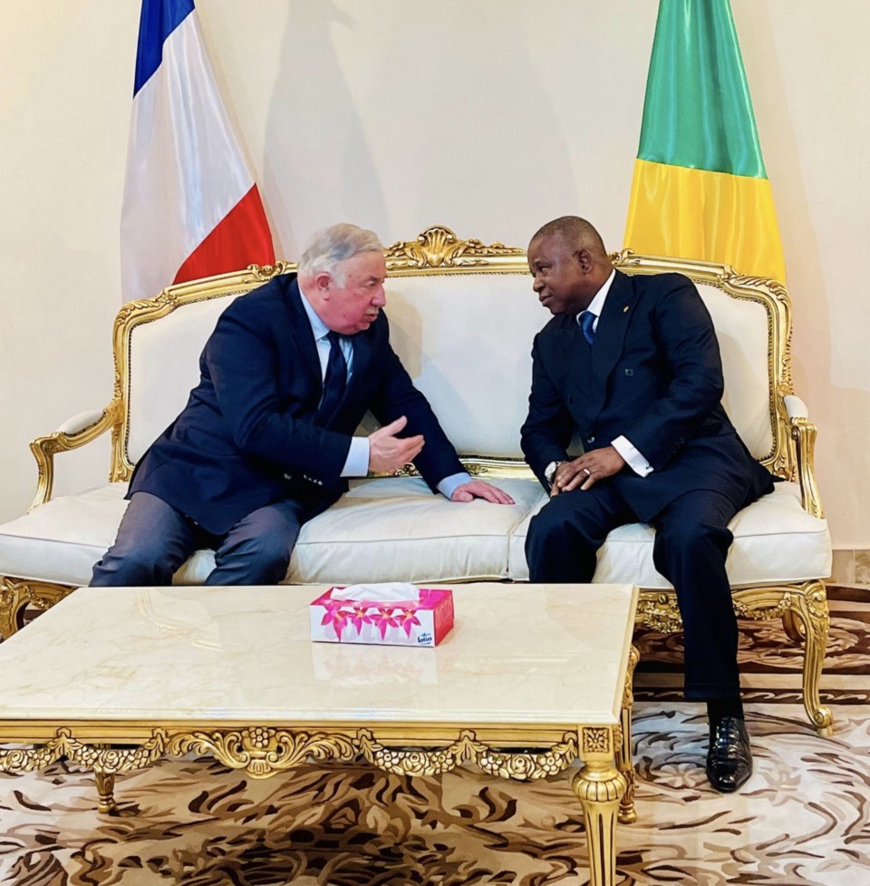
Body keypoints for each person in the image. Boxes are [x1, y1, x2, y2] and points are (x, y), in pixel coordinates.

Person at [92, 223, 513, 587]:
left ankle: (207, 664)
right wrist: (363, 455)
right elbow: (255, 428)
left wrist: (453, 478)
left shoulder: (368, 328)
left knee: (263, 553)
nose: (382, 298)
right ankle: (92, 667)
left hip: (280, 488)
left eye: (381, 283)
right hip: (195, 472)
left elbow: (402, 400)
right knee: (135, 560)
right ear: (323, 284)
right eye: (371, 284)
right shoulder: (249, 322)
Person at [520, 215, 774, 794]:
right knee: (553, 529)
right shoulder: (552, 340)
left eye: (543, 269)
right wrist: (556, 468)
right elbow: (538, 426)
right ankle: (569, 693)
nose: (536, 285)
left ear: (586, 260)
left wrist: (620, 452)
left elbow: (699, 384)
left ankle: (725, 713)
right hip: (608, 474)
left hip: (694, 458)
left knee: (690, 539)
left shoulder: (664, 296)